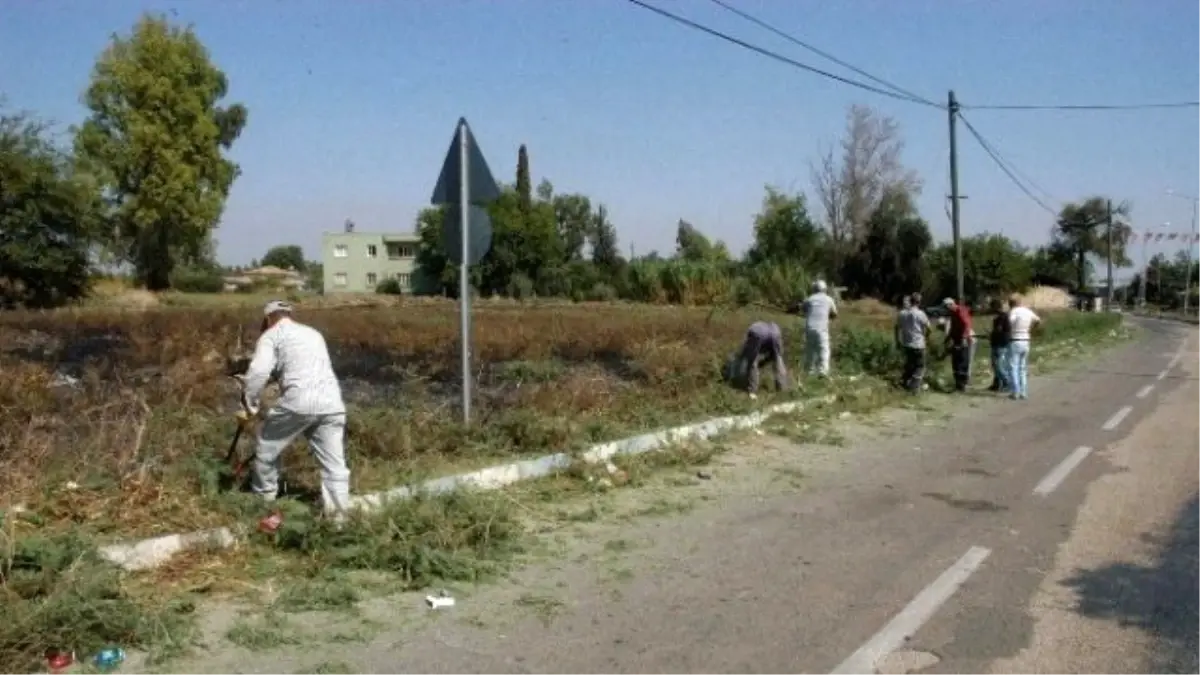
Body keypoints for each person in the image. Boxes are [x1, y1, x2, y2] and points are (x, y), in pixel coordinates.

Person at [240, 300, 351, 520]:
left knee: (266, 448)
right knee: (334, 465)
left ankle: (263, 502)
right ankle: (339, 518)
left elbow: (259, 372)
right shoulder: (313, 333)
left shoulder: (271, 336)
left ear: (268, 319)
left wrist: (249, 401)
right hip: (331, 402)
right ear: (289, 314)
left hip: (299, 401)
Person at [726, 320, 789, 399]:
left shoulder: (751, 334)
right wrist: (762, 363)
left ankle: (752, 391)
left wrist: (756, 364)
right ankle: (782, 390)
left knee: (752, 362)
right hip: (775, 331)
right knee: (778, 359)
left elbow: (746, 355)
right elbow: (772, 355)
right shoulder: (765, 338)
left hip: (758, 332)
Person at [1006, 294, 1041, 400]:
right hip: (1026, 339)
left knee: (1013, 367)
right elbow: (1038, 320)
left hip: (1015, 339)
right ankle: (1023, 392)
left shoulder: (1013, 312)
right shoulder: (1027, 311)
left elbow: (1010, 322)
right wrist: (1031, 328)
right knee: (1022, 367)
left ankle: (1015, 391)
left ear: (1011, 303)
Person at [895, 292, 931, 393]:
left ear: (910, 301)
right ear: (919, 302)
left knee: (910, 364)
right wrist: (926, 338)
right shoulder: (921, 314)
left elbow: (897, 328)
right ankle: (914, 387)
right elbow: (929, 328)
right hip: (919, 344)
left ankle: (904, 383)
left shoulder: (902, 313)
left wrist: (897, 341)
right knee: (920, 366)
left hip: (906, 344)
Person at [802, 280, 838, 378]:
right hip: (822, 329)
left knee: (810, 349)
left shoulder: (809, 299)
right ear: (825, 289)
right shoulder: (829, 299)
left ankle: (809, 372)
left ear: (814, 289)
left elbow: (803, 309)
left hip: (809, 328)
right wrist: (828, 316)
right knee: (824, 349)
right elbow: (834, 314)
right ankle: (823, 372)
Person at [943, 297, 975, 392]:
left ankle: (963, 384)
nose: (946, 309)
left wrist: (964, 337)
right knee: (956, 362)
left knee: (963, 361)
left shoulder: (960, 311)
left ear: (951, 304)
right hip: (957, 339)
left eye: (946, 307)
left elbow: (966, 324)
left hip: (964, 339)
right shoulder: (953, 313)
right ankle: (958, 384)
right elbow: (953, 327)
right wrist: (948, 338)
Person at [987, 298, 1012, 393]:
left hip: (1000, 344)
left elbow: (999, 330)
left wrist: (991, 334)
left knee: (998, 365)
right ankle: (997, 383)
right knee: (997, 364)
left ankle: (1007, 382)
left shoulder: (1001, 317)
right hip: (1001, 343)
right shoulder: (1003, 316)